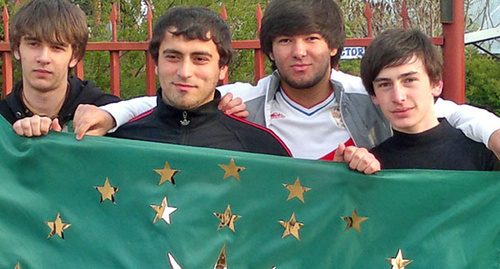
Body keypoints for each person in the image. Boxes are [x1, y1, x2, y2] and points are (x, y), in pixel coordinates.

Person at [73, 0, 500, 162]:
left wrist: (494, 131)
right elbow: (173, 95)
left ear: (332, 46)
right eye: (285, 40)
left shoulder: (367, 94)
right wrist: (108, 115)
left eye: (312, 39)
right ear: (269, 50)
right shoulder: (249, 98)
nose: (299, 51)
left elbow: (445, 110)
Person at [106, 6, 290, 157]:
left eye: (200, 59)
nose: (185, 72)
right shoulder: (122, 141)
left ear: (222, 68)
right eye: (173, 57)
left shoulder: (260, 147)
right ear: (156, 63)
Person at [351, 29, 498, 170]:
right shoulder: (371, 166)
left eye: (409, 80)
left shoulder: (484, 154)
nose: (398, 97)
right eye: (385, 85)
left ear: (436, 84)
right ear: (374, 96)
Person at [0, 0, 121, 137]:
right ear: (17, 49)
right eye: (33, 44)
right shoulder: (3, 119)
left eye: (57, 48)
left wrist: (112, 117)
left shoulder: (106, 114)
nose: (44, 58)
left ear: (74, 56)